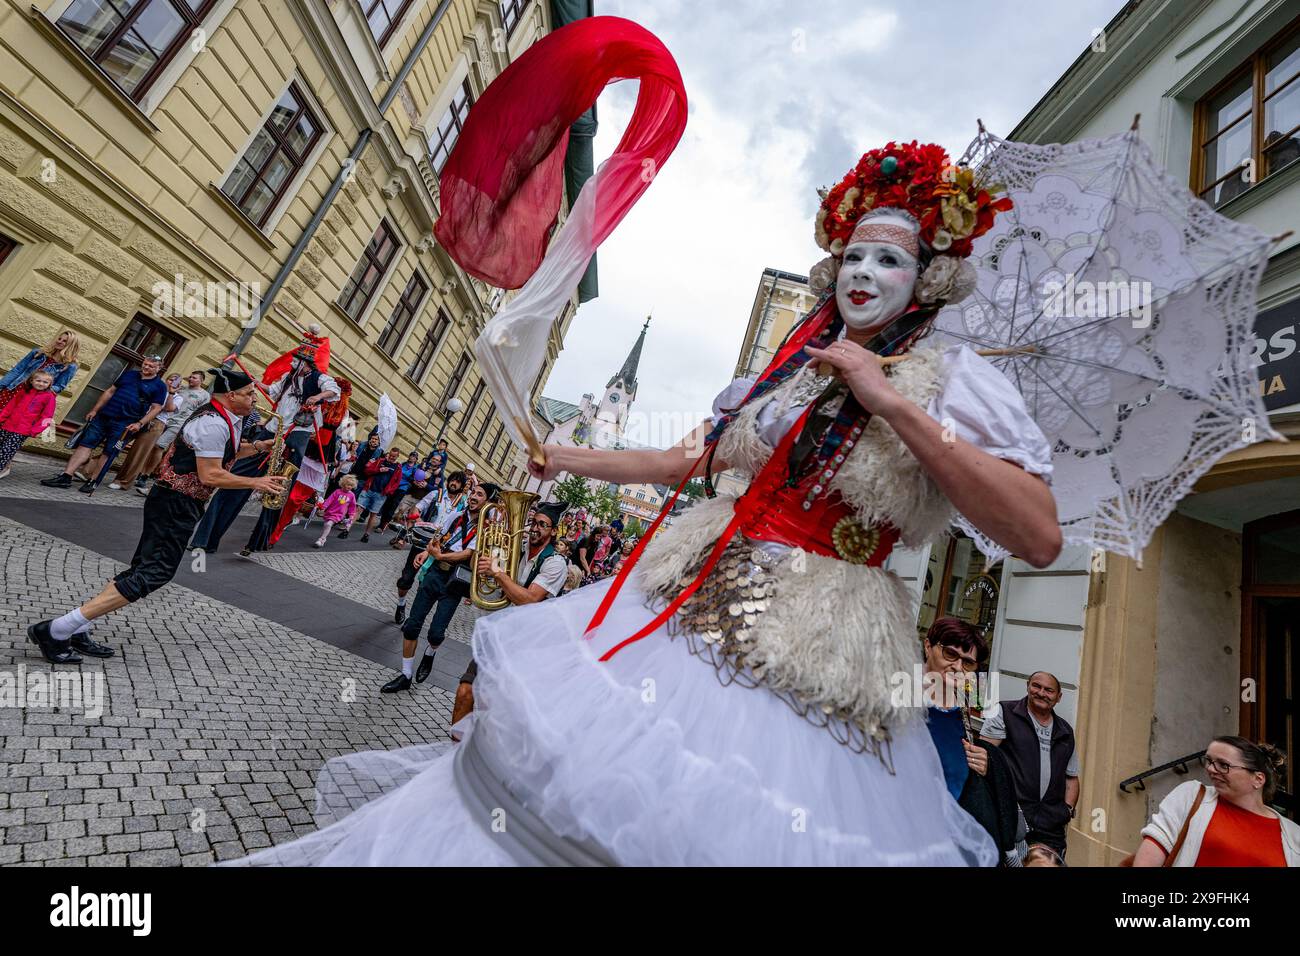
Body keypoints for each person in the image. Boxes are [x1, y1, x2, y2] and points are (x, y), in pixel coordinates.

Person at [237, 142, 1061, 865]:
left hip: (821, 638)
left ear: (928, 281)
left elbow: (1036, 533)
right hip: (693, 590)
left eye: (889, 261)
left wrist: (892, 403)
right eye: (853, 256)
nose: (863, 275)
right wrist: (565, 455)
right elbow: (684, 461)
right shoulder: (787, 368)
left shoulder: (954, 383)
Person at [27, 368, 285, 663]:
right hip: (175, 503)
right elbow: (211, 473)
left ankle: (78, 626)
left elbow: (222, 454)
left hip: (178, 502)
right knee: (155, 572)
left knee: (141, 568)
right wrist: (256, 482)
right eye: (250, 393)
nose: (255, 399)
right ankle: (57, 629)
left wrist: (260, 447)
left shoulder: (226, 420)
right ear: (231, 396)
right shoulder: (213, 423)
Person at [451, 500, 571, 719]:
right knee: (465, 692)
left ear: (553, 531)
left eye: (542, 525)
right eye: (533, 522)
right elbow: (479, 568)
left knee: (494, 710)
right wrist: (483, 559)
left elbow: (530, 599)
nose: (535, 528)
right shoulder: (515, 546)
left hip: (525, 646)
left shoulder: (556, 563)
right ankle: (454, 752)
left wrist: (498, 573)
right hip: (498, 634)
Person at [921, 618, 1022, 866]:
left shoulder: (963, 705)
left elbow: (960, 759)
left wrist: (985, 764)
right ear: (927, 646)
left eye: (967, 662)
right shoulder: (898, 698)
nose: (957, 667)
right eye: (949, 653)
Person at [382, 481, 496, 693]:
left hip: (455, 580)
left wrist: (440, 555)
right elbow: (437, 537)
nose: (473, 496)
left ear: (488, 502)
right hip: (434, 572)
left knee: (436, 632)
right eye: (473, 492)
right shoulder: (456, 516)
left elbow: (468, 554)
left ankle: (430, 653)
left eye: (479, 494)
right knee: (412, 624)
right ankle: (405, 674)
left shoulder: (487, 529)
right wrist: (427, 552)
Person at [1132, 737, 1299, 867]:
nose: (1211, 769)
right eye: (1210, 761)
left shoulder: (1294, 836)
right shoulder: (1191, 796)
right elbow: (1150, 856)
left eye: (1223, 765)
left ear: (1258, 779)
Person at [980, 672, 1080, 859]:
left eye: (1049, 690)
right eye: (1036, 686)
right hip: (1010, 819)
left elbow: (1071, 778)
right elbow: (983, 757)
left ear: (1058, 697)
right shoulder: (1005, 712)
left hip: (1050, 828)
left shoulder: (1065, 731)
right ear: (1028, 686)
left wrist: (1066, 810)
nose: (1041, 693)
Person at [42, 355, 168, 493]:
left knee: (108, 452)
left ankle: (93, 481)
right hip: (104, 416)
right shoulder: (129, 374)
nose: (146, 367)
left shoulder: (160, 386)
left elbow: (156, 408)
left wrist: (140, 423)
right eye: (145, 364)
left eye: (150, 366)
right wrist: (95, 410)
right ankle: (66, 476)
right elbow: (110, 391)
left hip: (125, 423)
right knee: (85, 444)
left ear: (159, 368)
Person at [189, 410, 276, 553]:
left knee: (239, 494)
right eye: (250, 394)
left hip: (285, 440)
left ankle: (210, 541)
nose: (254, 398)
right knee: (228, 488)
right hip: (269, 435)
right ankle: (203, 540)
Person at [393, 470, 468, 624]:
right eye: (452, 480)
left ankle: (412, 618)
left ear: (462, 485)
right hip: (423, 542)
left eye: (458, 482)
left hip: (441, 548)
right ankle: (401, 605)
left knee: (424, 586)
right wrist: (420, 521)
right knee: (405, 579)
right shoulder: (436, 494)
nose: (454, 483)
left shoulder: (464, 503)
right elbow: (417, 508)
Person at [124, 370, 210, 495]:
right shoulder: (181, 389)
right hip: (165, 419)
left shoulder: (204, 395)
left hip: (179, 424)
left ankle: (145, 475)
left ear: (201, 381)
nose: (191, 379)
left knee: (159, 446)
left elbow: (201, 413)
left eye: (195, 378)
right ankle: (140, 471)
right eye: (190, 377)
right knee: (149, 445)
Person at [0, 329, 81, 415]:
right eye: (59, 339)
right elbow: (17, 370)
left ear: (71, 346)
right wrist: (1, 385)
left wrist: (42, 386)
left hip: (31, 398)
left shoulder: (69, 366)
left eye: (64, 341)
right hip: (13, 389)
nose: (60, 341)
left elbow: (59, 387)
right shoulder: (38, 353)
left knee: (9, 423)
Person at [0, 370, 57, 479]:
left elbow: (47, 417)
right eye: (38, 380)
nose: (41, 383)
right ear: (31, 381)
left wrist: (34, 430)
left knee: (6, 451)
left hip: (22, 431)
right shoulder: (23, 392)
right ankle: (5, 469)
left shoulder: (49, 397)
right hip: (6, 426)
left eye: (45, 382)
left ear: (50, 384)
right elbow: (9, 407)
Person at [356, 447, 403, 543]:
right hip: (369, 489)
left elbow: (397, 483)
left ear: (398, 456)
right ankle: (346, 529)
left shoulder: (398, 468)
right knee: (358, 509)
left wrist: (389, 492)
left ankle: (366, 535)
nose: (391, 457)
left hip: (381, 495)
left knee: (373, 515)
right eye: (390, 455)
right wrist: (379, 470)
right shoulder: (380, 461)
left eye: (394, 456)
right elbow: (367, 471)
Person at [377, 452, 420, 534]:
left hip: (402, 489)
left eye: (414, 457)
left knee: (393, 506)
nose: (412, 458)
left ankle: (383, 525)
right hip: (394, 486)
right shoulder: (403, 464)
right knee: (387, 504)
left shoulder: (415, 469)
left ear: (416, 459)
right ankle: (381, 523)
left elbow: (413, 480)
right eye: (411, 456)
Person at [314, 475, 359, 548]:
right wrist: (324, 507)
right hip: (330, 511)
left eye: (351, 485)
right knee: (326, 525)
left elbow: (352, 506)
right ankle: (324, 538)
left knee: (328, 524)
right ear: (343, 484)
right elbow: (329, 500)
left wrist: (351, 515)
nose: (349, 487)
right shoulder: (337, 492)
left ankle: (321, 539)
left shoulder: (351, 495)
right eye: (348, 485)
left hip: (339, 514)